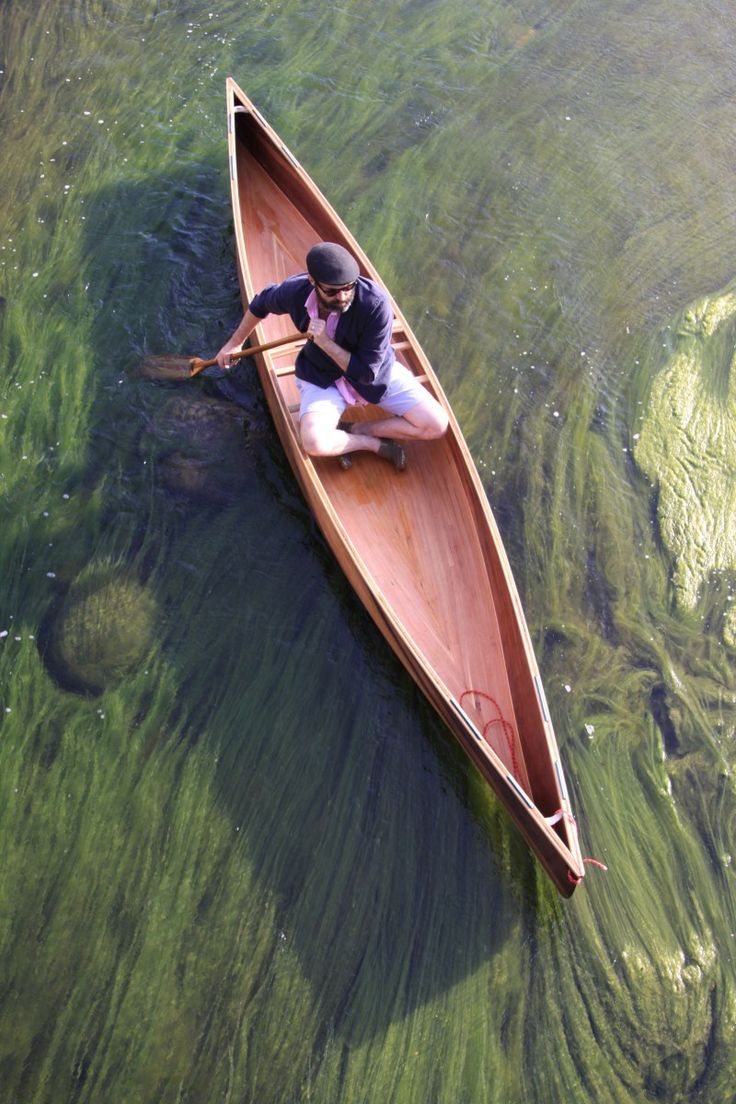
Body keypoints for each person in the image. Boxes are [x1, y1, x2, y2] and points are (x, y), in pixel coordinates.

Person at [215, 242, 448, 470]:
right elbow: (261, 303)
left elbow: (366, 373)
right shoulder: (296, 291)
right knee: (314, 442)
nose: (343, 296)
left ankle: (358, 430)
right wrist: (234, 344)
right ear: (312, 282)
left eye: (349, 287)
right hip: (321, 375)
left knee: (436, 424)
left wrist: (325, 342)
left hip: (372, 376)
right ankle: (370, 444)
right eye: (332, 291)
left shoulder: (376, 305)